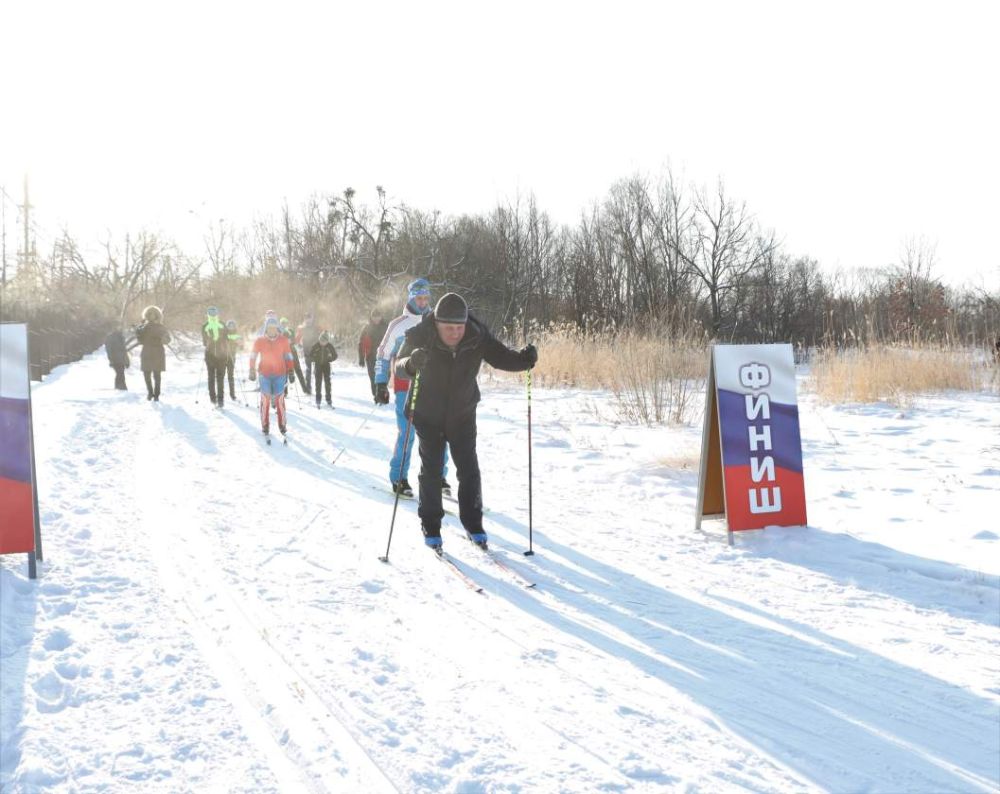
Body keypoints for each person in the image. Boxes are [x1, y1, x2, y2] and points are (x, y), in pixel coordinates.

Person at [395, 292, 537, 551]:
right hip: (428, 413)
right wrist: (411, 363)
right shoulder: (421, 334)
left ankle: (473, 524)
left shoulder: (476, 335)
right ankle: (431, 524)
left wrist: (524, 361)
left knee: (469, 471)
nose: (455, 333)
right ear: (436, 323)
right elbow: (399, 365)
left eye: (458, 327)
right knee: (433, 470)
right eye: (448, 328)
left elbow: (501, 357)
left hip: (462, 414)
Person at [373, 278, 449, 497]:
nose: (423, 302)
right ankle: (399, 477)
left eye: (426, 298)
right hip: (405, 384)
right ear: (411, 298)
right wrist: (380, 383)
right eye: (419, 298)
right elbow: (383, 353)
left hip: (432, 385)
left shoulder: (437, 321)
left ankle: (439, 476)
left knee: (439, 433)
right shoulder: (399, 324)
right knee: (407, 433)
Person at [248, 317, 294, 439]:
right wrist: (251, 369)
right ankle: (265, 425)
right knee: (265, 400)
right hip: (265, 374)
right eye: (269, 328)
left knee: (279, 400)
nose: (272, 330)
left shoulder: (283, 340)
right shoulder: (259, 341)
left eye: (274, 328)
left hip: (280, 374)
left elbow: (288, 356)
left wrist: (291, 371)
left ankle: (282, 425)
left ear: (277, 328)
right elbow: (253, 355)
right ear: (266, 329)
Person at [131, 305, 171, 401]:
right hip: (147, 352)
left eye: (153, 314)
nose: (151, 316)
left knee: (157, 375)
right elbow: (140, 341)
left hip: (158, 352)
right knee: (146, 374)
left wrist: (163, 338)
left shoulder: (161, 327)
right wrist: (137, 332)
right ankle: (150, 393)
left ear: (157, 316)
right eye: (150, 314)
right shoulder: (143, 327)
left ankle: (156, 395)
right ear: (147, 315)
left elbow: (168, 340)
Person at [202, 306, 228, 408]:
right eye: (211, 313)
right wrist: (211, 338)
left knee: (218, 377)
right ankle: (214, 398)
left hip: (221, 355)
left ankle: (219, 399)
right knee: (213, 377)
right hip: (210, 355)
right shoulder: (206, 326)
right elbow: (204, 341)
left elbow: (227, 338)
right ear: (208, 314)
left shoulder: (221, 324)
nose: (212, 315)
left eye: (214, 313)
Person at [358, 308, 388, 397]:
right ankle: (376, 396)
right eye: (374, 317)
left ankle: (382, 396)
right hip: (370, 356)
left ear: (381, 317)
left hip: (383, 356)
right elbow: (361, 343)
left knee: (382, 377)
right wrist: (361, 358)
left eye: (378, 316)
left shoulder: (386, 327)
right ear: (371, 317)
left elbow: (392, 341)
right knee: (373, 377)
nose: (376, 318)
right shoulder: (367, 328)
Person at [280, 316, 309, 394]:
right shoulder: (279, 332)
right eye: (282, 323)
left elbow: (294, 340)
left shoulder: (290, 331)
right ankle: (285, 391)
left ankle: (305, 389)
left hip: (292, 351)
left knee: (298, 370)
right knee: (285, 372)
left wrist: (291, 341)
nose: (284, 325)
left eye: (285, 323)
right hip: (284, 354)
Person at [309, 331, 338, 408]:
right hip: (318, 366)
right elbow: (310, 354)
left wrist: (330, 359)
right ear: (319, 339)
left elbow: (335, 355)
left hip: (326, 366)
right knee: (318, 382)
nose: (322, 343)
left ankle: (328, 399)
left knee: (327, 382)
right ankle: (318, 398)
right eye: (321, 341)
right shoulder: (316, 345)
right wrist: (314, 359)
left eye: (324, 341)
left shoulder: (329, 346)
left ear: (327, 341)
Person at [296, 313, 320, 387]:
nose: (308, 320)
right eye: (307, 318)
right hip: (310, 351)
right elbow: (297, 339)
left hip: (313, 350)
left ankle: (311, 386)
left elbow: (321, 336)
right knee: (311, 369)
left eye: (309, 318)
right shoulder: (303, 328)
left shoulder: (314, 327)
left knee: (312, 369)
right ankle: (311, 386)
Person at [224, 319, 242, 401]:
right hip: (223, 357)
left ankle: (232, 394)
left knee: (230, 376)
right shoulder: (223, 334)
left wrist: (240, 345)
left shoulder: (237, 335)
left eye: (232, 326)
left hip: (232, 357)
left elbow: (241, 345)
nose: (231, 327)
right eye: (229, 326)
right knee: (221, 376)